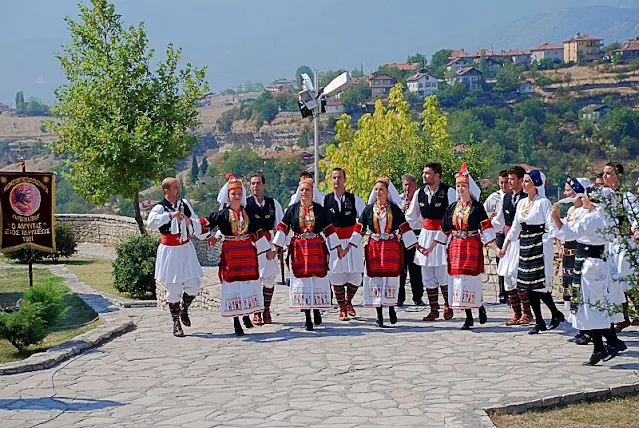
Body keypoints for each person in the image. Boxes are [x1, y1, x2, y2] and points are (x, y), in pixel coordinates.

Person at [552, 187, 627, 365]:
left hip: (590, 265)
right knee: (592, 306)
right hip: (598, 262)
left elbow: (570, 233)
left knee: (591, 306)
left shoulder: (593, 218)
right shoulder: (606, 216)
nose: (582, 199)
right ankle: (600, 347)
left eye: (584, 197)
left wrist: (555, 217)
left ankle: (612, 343)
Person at [498, 169, 565, 335]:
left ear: (535, 184)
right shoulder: (521, 203)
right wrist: (505, 246)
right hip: (525, 244)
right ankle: (543, 319)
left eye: (527, 181)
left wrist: (556, 242)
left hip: (540, 245)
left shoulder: (543, 203)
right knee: (527, 286)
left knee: (539, 286)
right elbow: (515, 227)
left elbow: (551, 225)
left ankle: (552, 315)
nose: (524, 184)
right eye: (524, 181)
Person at [147, 177, 212, 337]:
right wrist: (170, 216)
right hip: (170, 251)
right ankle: (176, 323)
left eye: (178, 186)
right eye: (175, 187)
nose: (179, 190)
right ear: (166, 190)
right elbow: (151, 223)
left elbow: (195, 221)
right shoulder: (160, 208)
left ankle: (184, 309)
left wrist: (207, 235)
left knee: (194, 285)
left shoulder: (185, 204)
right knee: (174, 288)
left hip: (186, 248)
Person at [439, 163, 498, 329]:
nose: (460, 189)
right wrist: (430, 248)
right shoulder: (452, 208)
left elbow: (486, 228)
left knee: (471, 280)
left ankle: (479, 306)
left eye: (463, 186)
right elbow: (444, 229)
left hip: (472, 245)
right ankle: (468, 316)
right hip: (456, 247)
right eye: (458, 186)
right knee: (459, 280)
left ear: (469, 187)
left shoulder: (477, 208)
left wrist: (495, 247)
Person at [273, 176, 336, 331]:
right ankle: (307, 316)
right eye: (302, 190)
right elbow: (283, 228)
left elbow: (329, 229)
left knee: (316, 280)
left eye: (307, 190)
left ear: (312, 192)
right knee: (303, 282)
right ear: (298, 192)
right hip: (299, 249)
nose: (304, 192)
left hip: (316, 248)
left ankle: (316, 310)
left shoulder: (320, 210)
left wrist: (337, 248)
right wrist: (276, 246)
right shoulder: (292, 210)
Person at [208, 174, 267, 337]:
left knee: (247, 284)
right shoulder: (222, 214)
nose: (237, 197)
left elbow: (256, 231)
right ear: (228, 195)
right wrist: (210, 237)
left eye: (239, 194)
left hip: (247, 253)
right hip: (231, 253)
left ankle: (247, 314)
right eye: (233, 194)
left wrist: (268, 249)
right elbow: (205, 225)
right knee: (233, 285)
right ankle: (236, 321)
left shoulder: (247, 213)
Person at [356, 177, 418, 327]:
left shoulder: (394, 209)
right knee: (376, 280)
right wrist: (350, 244)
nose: (378, 192)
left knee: (391, 279)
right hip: (375, 248)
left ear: (387, 192)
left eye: (381, 190)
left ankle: (390, 307)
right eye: (376, 189)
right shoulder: (369, 209)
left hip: (391, 247)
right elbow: (360, 227)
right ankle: (379, 314)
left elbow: (404, 226)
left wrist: (415, 244)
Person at [406, 162, 458, 322]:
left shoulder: (449, 192)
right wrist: (404, 233)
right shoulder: (419, 193)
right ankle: (434, 309)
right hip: (425, 236)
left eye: (428, 173)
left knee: (442, 273)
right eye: (424, 173)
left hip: (443, 235)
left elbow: (454, 215)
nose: (424, 176)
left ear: (437, 176)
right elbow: (411, 216)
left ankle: (448, 305)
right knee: (427, 275)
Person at [323, 168, 366, 321]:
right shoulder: (325, 200)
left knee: (355, 276)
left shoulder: (354, 199)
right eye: (334, 178)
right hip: (333, 241)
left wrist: (355, 239)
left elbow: (363, 219)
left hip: (351, 241)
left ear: (344, 179)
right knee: (336, 274)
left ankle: (348, 301)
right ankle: (342, 309)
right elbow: (321, 222)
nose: (336, 181)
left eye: (339, 177)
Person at [492, 166, 533, 326]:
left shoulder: (527, 198)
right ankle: (516, 313)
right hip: (509, 241)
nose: (509, 182)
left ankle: (527, 313)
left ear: (521, 180)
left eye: (512, 179)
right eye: (508, 179)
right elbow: (500, 221)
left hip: (521, 241)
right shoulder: (507, 198)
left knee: (518, 277)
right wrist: (486, 225)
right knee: (507, 277)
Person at [602, 162, 639, 332]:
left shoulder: (627, 196)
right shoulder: (606, 196)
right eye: (604, 173)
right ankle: (623, 316)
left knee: (624, 278)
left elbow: (635, 216)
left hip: (625, 242)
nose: (605, 176)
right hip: (611, 243)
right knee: (615, 280)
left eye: (609, 173)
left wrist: (637, 230)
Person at [245, 173, 284, 325]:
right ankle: (256, 311)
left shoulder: (273, 204)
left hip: (269, 244)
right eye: (253, 183)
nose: (255, 186)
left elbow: (281, 226)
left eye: (258, 183)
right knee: (254, 279)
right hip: (252, 245)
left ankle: (266, 309)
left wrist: (276, 246)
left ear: (264, 185)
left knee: (268, 279)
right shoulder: (245, 205)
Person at [556, 176, 591, 344]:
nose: (565, 193)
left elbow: (574, 233)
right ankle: (581, 328)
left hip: (580, 253)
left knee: (582, 290)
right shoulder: (571, 211)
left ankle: (588, 329)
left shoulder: (585, 212)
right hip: (570, 254)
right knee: (572, 289)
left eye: (568, 190)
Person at [483, 170, 511, 303]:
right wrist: (488, 215)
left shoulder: (515, 196)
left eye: (506, 182)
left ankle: (512, 291)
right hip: (499, 234)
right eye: (501, 182)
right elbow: (483, 214)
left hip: (512, 234)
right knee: (500, 263)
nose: (503, 185)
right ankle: (502, 292)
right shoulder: (493, 197)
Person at [398, 174, 424, 307]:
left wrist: (412, 212)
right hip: (402, 236)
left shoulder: (421, 198)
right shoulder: (398, 199)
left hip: (416, 234)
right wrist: (403, 211)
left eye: (410, 185)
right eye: (405, 185)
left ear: (415, 185)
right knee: (401, 267)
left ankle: (418, 297)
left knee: (416, 268)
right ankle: (399, 297)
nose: (407, 187)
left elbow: (422, 218)